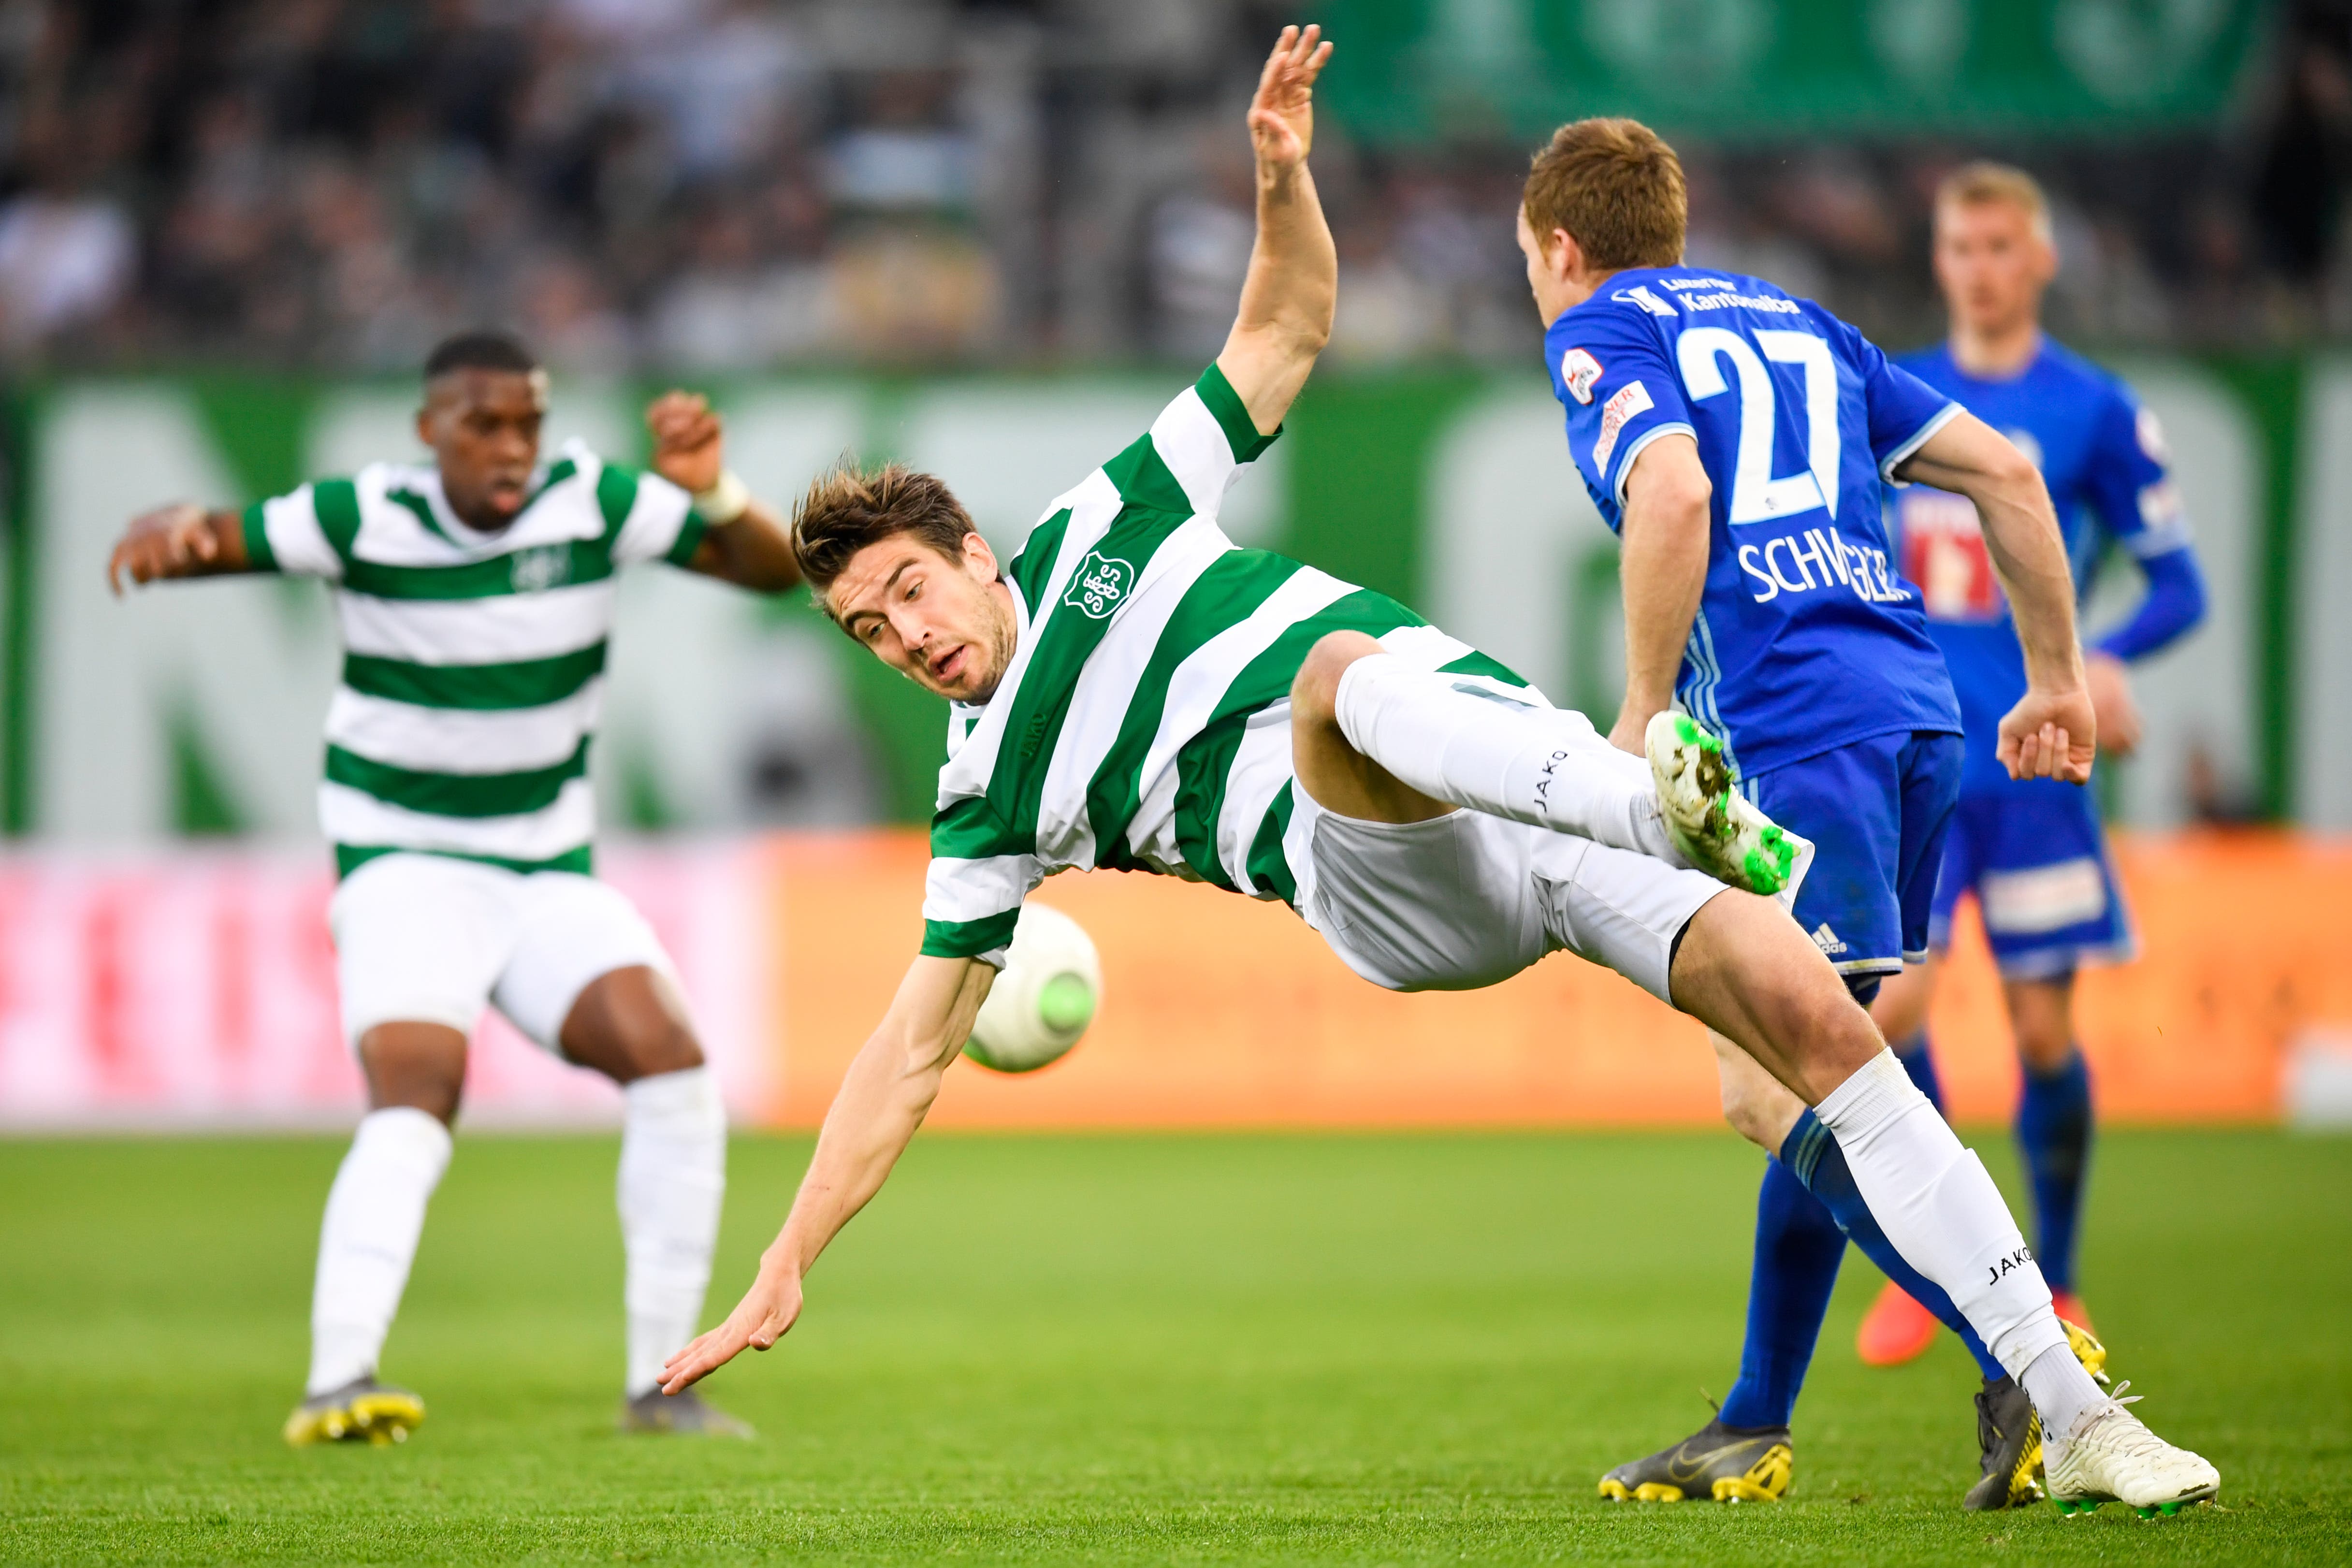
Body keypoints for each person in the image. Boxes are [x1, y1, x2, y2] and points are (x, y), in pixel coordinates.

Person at [659, 29, 2219, 1519]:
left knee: (1821, 1038)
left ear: (973, 557)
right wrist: (786, 1257)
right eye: (868, 633)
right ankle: (1648, 791)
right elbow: (905, 1053)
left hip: (1515, 773)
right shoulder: (984, 793)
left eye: (907, 596)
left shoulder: (1104, 522)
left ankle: (2077, 1415)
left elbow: (1276, 335)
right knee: (1338, 677)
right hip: (1394, 879)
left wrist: (1280, 173)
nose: (901, 638)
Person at [1519, 124, 2141, 1511]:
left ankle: (2035, 1359)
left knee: (1781, 1083)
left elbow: (1670, 489)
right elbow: (2012, 475)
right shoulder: (1799, 320)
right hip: (1914, 722)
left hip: (1795, 739)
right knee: (1824, 1065)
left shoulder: (1601, 330)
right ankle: (1754, 1414)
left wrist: (1635, 715)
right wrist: (2059, 682)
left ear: (1558, 247)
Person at [107, 331, 802, 1444]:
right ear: (430, 430)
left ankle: (656, 1388)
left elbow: (772, 569)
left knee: (671, 1063)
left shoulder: (597, 500)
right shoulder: (361, 514)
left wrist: (713, 490)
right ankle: (340, 1377)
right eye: (485, 424)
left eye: (527, 420)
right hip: (406, 864)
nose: (513, 445)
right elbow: (224, 540)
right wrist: (178, 535)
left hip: (543, 872)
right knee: (421, 1084)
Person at [1853, 163, 2207, 1369]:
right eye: (1962, 246)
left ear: (2042, 258)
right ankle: (1948, 1263)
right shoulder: (1894, 391)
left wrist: (2096, 658)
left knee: (2044, 1032)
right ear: (1940, 258)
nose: (1982, 267)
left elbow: (2182, 584)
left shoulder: (2094, 410)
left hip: (2042, 760)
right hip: (1921, 759)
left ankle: (2056, 1281)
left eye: (2003, 246)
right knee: (1892, 1007)